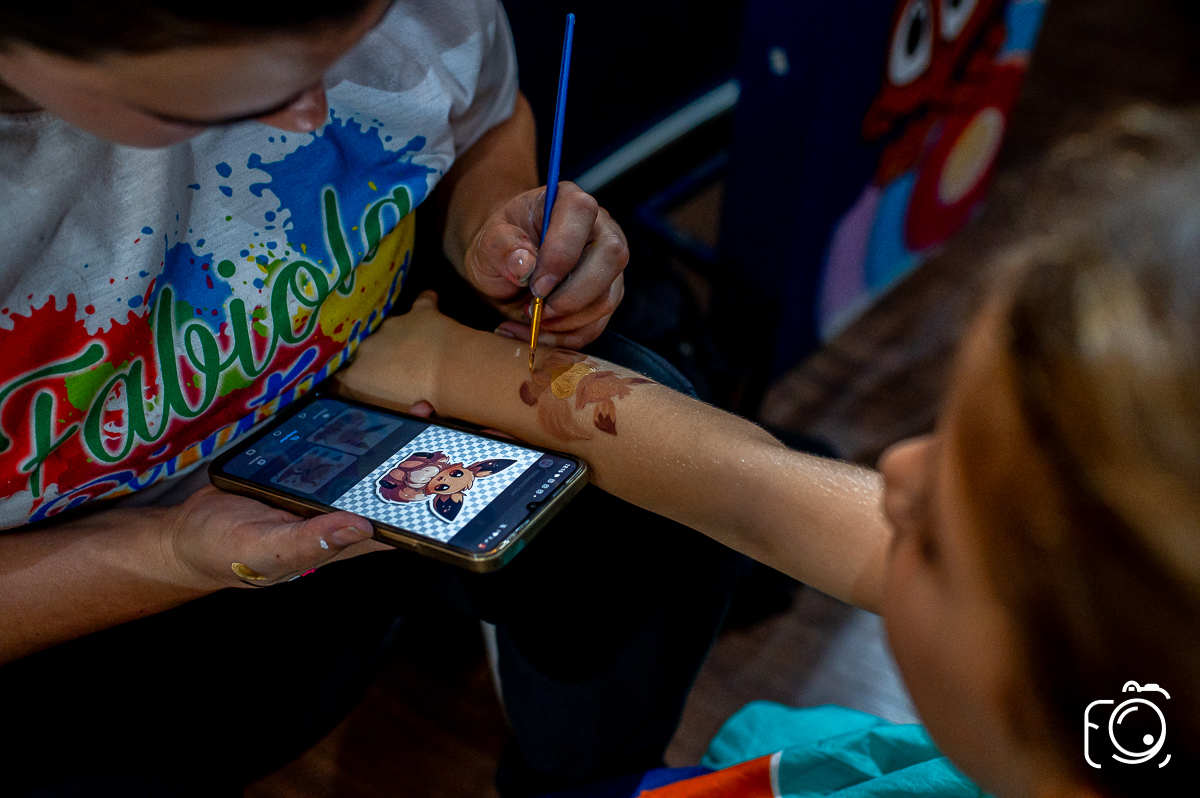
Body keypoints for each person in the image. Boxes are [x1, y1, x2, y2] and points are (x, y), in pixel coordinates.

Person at [339, 105, 1200, 797]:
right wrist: (456, 368)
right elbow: (748, 486)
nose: (896, 469)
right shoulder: (1127, 683)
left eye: (937, 537)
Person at [0, 2, 737, 795]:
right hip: (69, 603)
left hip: (356, 430)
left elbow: (481, 120)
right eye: (241, 94)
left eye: (352, 45)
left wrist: (494, 224)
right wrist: (166, 553)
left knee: (654, 488)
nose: (313, 114)